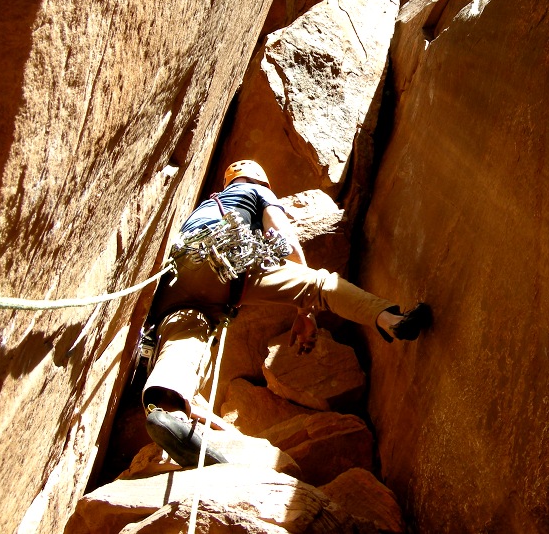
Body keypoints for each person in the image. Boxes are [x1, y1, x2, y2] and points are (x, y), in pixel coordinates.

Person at [142, 159, 432, 467]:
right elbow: (284, 239)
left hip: (177, 277)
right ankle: (391, 320)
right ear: (261, 180)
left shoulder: (207, 205)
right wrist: (304, 310)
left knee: (188, 332)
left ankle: (167, 411)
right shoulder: (255, 191)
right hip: (225, 256)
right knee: (320, 285)